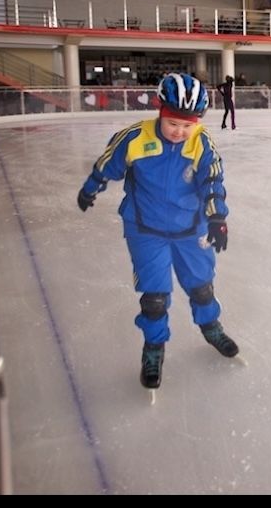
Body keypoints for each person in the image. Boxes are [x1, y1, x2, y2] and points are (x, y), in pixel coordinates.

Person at [76, 73, 238, 390]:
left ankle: (210, 326)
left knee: (202, 285)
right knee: (155, 297)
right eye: (173, 123)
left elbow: (213, 181)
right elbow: (107, 165)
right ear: (160, 110)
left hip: (191, 228)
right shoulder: (134, 138)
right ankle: (154, 347)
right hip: (145, 228)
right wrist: (90, 188)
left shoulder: (201, 142)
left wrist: (217, 217)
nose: (179, 131)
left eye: (187, 125)